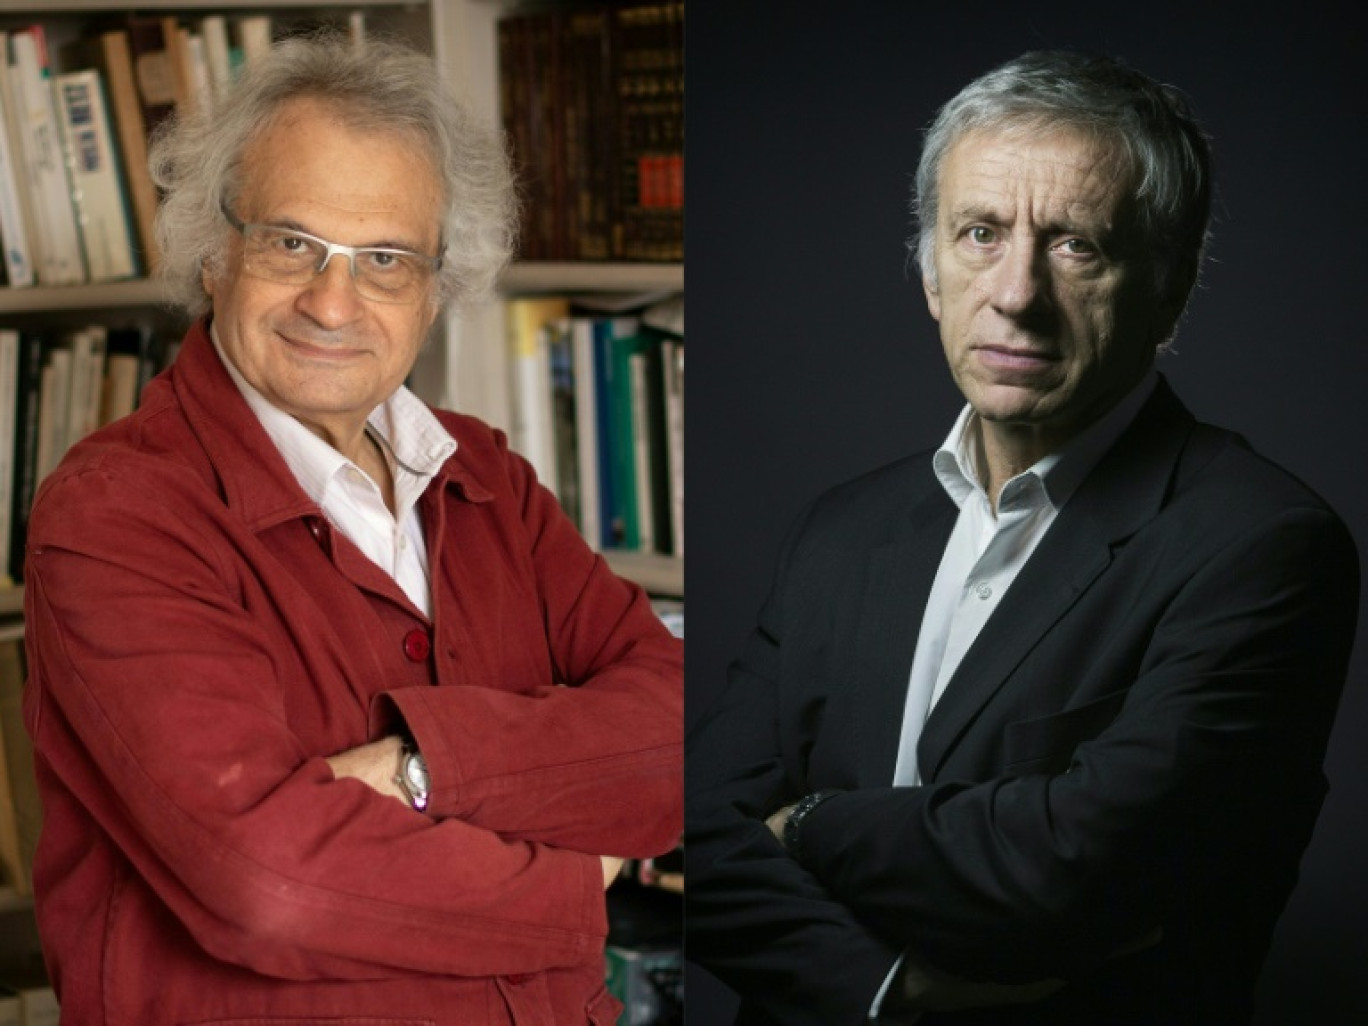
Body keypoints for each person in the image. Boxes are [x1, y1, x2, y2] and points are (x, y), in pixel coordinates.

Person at [686, 49, 1358, 1025]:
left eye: (1077, 245)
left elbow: (1074, 867)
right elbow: (693, 832)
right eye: (979, 234)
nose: (1016, 293)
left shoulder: (1262, 545)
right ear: (929, 271)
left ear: (1169, 289)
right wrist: (890, 988)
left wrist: (813, 823)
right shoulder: (843, 528)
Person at [21, 34, 681, 1026]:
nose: (333, 302)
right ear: (214, 250)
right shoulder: (116, 513)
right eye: (291, 243)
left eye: (384, 259)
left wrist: (419, 769)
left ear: (435, 288)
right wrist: (576, 871)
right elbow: (272, 888)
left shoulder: (483, 472)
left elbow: (679, 736)